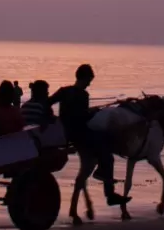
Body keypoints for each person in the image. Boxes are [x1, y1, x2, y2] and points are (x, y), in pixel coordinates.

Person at [53, 64, 124, 206]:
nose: (89, 84)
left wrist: (52, 119)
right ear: (84, 78)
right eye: (89, 80)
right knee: (108, 151)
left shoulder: (63, 91)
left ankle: (102, 174)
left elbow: (48, 103)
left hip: (68, 132)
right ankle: (108, 191)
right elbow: (82, 117)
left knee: (103, 143)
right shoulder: (83, 95)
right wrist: (92, 112)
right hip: (81, 133)